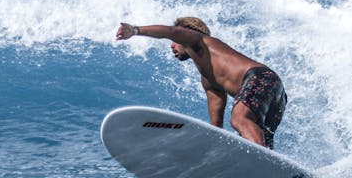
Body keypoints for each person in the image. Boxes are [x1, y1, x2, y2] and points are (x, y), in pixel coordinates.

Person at [116, 16, 287, 148]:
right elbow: (216, 127)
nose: (172, 46)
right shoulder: (208, 79)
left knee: (239, 119)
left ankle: (261, 160)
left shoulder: (198, 41)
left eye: (175, 42)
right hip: (274, 88)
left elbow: (171, 32)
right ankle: (271, 174)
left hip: (259, 77)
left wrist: (134, 30)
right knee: (255, 134)